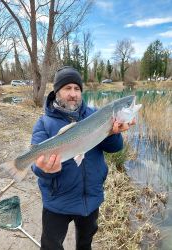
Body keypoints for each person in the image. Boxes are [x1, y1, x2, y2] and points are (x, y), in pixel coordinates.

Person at [31, 66, 135, 250]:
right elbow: (36, 166)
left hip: (91, 197)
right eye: (67, 88)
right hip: (58, 201)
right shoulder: (44, 123)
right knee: (50, 245)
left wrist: (112, 133)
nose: (73, 94)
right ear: (57, 92)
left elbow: (115, 148)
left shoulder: (96, 115)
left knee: (85, 244)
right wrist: (44, 169)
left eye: (77, 88)